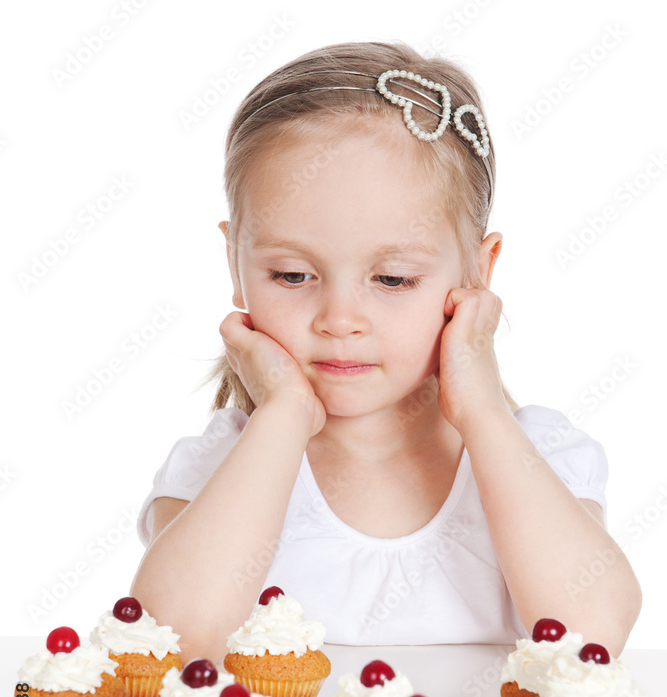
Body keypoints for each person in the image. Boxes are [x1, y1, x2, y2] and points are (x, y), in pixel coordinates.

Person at [131, 40, 641, 665]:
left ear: (478, 274)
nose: (340, 319)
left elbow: (592, 638)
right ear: (234, 262)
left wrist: (483, 414)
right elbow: (173, 642)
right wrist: (284, 415)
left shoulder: (537, 458)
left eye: (393, 279)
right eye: (292, 275)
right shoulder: (227, 468)